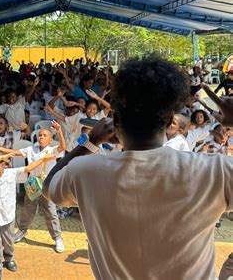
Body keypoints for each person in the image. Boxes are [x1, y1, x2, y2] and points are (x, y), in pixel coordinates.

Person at [43, 55, 233, 279]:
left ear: (114, 122)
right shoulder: (215, 171)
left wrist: (90, 141)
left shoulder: (85, 171)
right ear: (169, 119)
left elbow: (48, 188)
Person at [0, 121, 66, 253]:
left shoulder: (52, 150)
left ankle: (57, 237)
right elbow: (15, 153)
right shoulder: (31, 149)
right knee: (28, 208)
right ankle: (22, 230)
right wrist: (0, 148)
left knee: (50, 211)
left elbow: (62, 147)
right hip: (33, 184)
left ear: (50, 140)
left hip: (46, 185)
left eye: (44, 135)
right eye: (40, 135)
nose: (41, 137)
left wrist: (59, 131)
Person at [0, 152, 55, 280]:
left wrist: (44, 159)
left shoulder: (11, 173)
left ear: (2, 165)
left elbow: (28, 168)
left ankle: (9, 258)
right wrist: (0, 157)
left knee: (9, 243)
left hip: (7, 218)